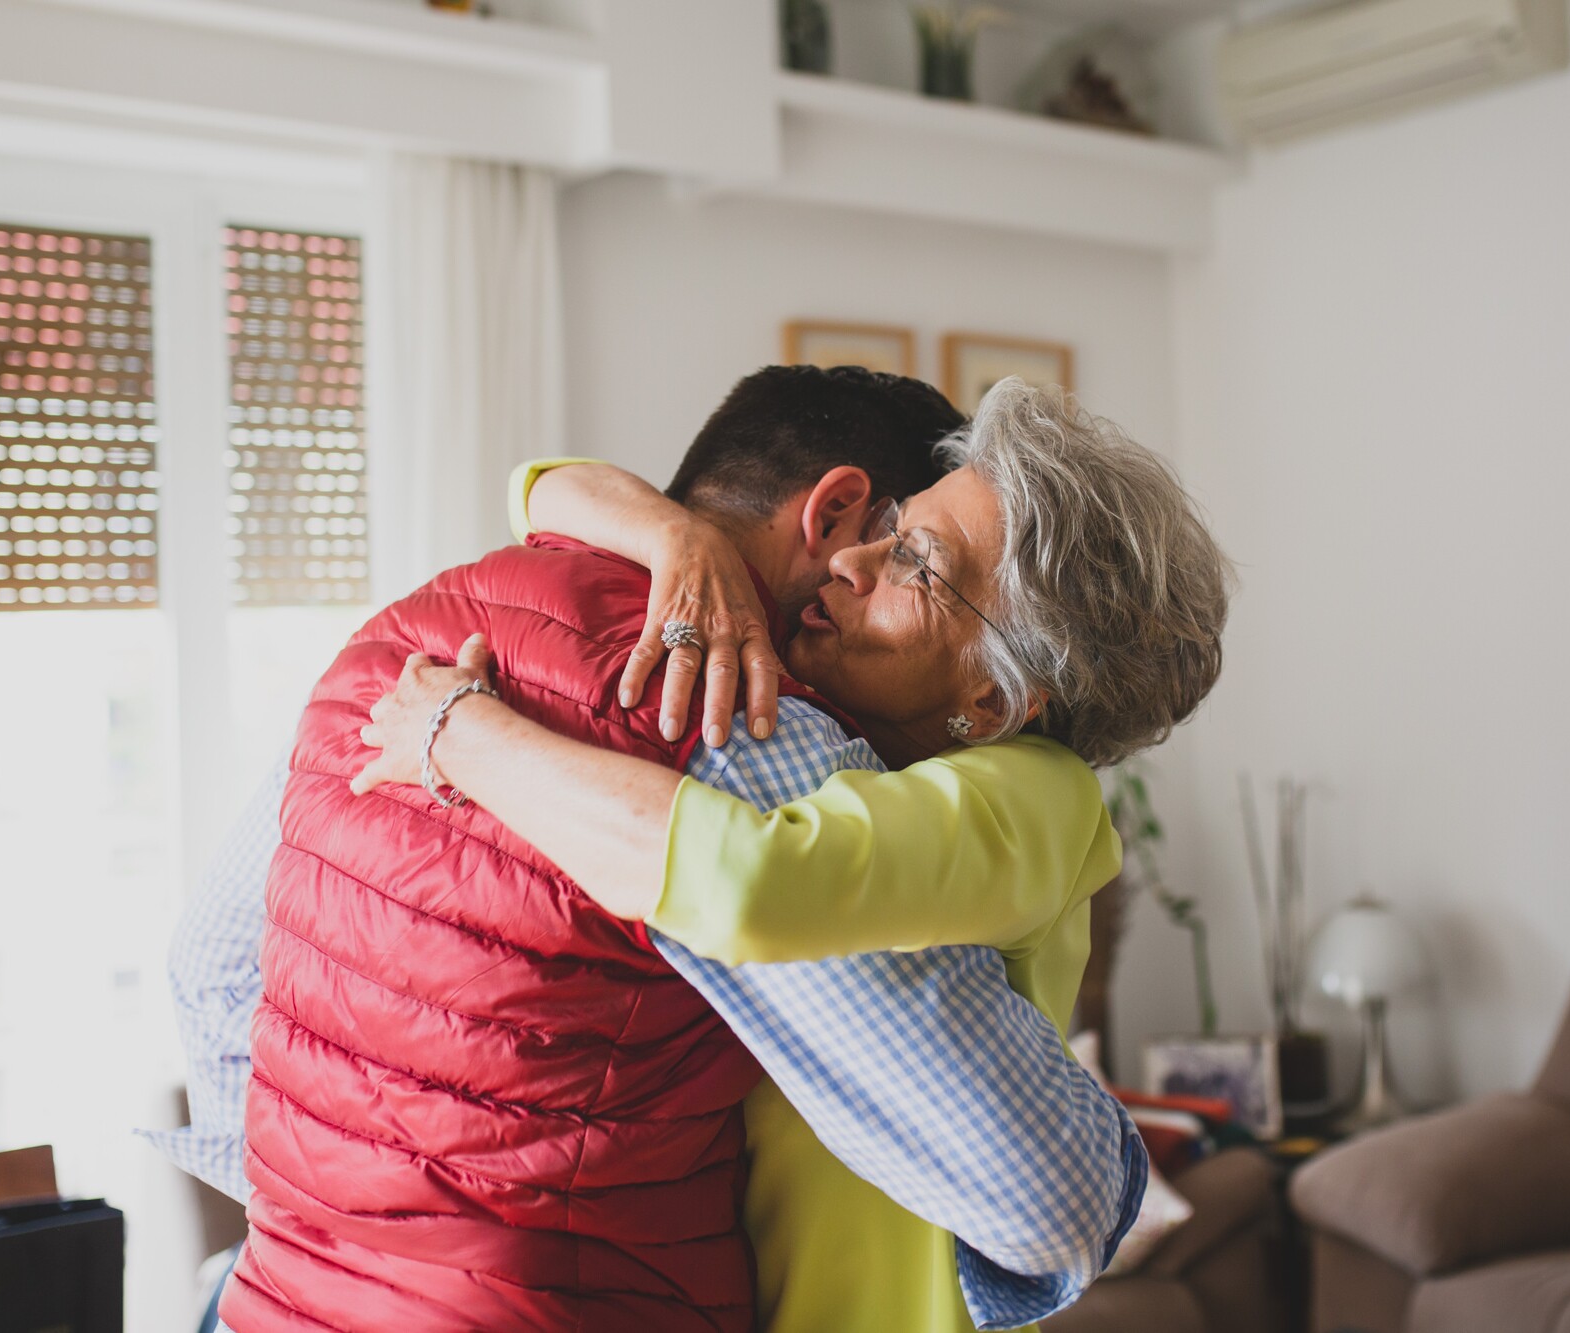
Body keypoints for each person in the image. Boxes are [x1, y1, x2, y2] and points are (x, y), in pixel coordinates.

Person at [153, 367, 1146, 1333]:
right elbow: (1035, 1195)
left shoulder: (395, 641)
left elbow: (209, 968)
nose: (863, 569)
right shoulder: (729, 710)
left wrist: (354, 1225)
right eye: (895, 540)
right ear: (838, 513)